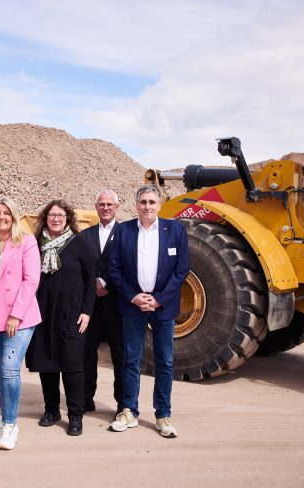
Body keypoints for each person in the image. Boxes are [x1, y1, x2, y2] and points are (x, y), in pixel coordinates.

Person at [107, 184, 189, 438]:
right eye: (143, 202)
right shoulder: (123, 230)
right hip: (133, 306)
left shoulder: (175, 229)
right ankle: (129, 410)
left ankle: (163, 414)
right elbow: (114, 269)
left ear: (160, 204)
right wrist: (133, 296)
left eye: (152, 202)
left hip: (162, 307)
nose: (147, 207)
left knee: (164, 361)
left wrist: (159, 300)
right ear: (136, 204)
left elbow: (181, 270)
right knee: (131, 359)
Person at [0, 197, 41, 450]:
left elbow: (31, 280)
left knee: (10, 369)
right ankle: (4, 419)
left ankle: (11, 425)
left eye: (6, 213)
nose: (1, 217)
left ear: (14, 217)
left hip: (17, 318)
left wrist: (16, 314)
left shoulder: (26, 242)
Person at [26, 199, 95, 436]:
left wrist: (87, 311)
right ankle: (51, 410)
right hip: (42, 313)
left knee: (73, 365)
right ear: (45, 218)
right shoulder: (35, 244)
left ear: (68, 219)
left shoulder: (79, 244)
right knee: (47, 363)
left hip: (72, 314)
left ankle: (75, 416)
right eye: (52, 215)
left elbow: (90, 280)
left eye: (61, 216)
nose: (56, 219)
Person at [80, 190, 124, 415]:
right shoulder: (85, 235)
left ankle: (122, 404)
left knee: (120, 355)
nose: (105, 208)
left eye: (110, 204)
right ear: (96, 207)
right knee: (87, 354)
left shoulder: (126, 233)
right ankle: (86, 398)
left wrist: (106, 283)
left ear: (117, 207)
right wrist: (92, 286)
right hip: (90, 306)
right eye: (101, 204)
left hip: (116, 304)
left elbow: (129, 265)